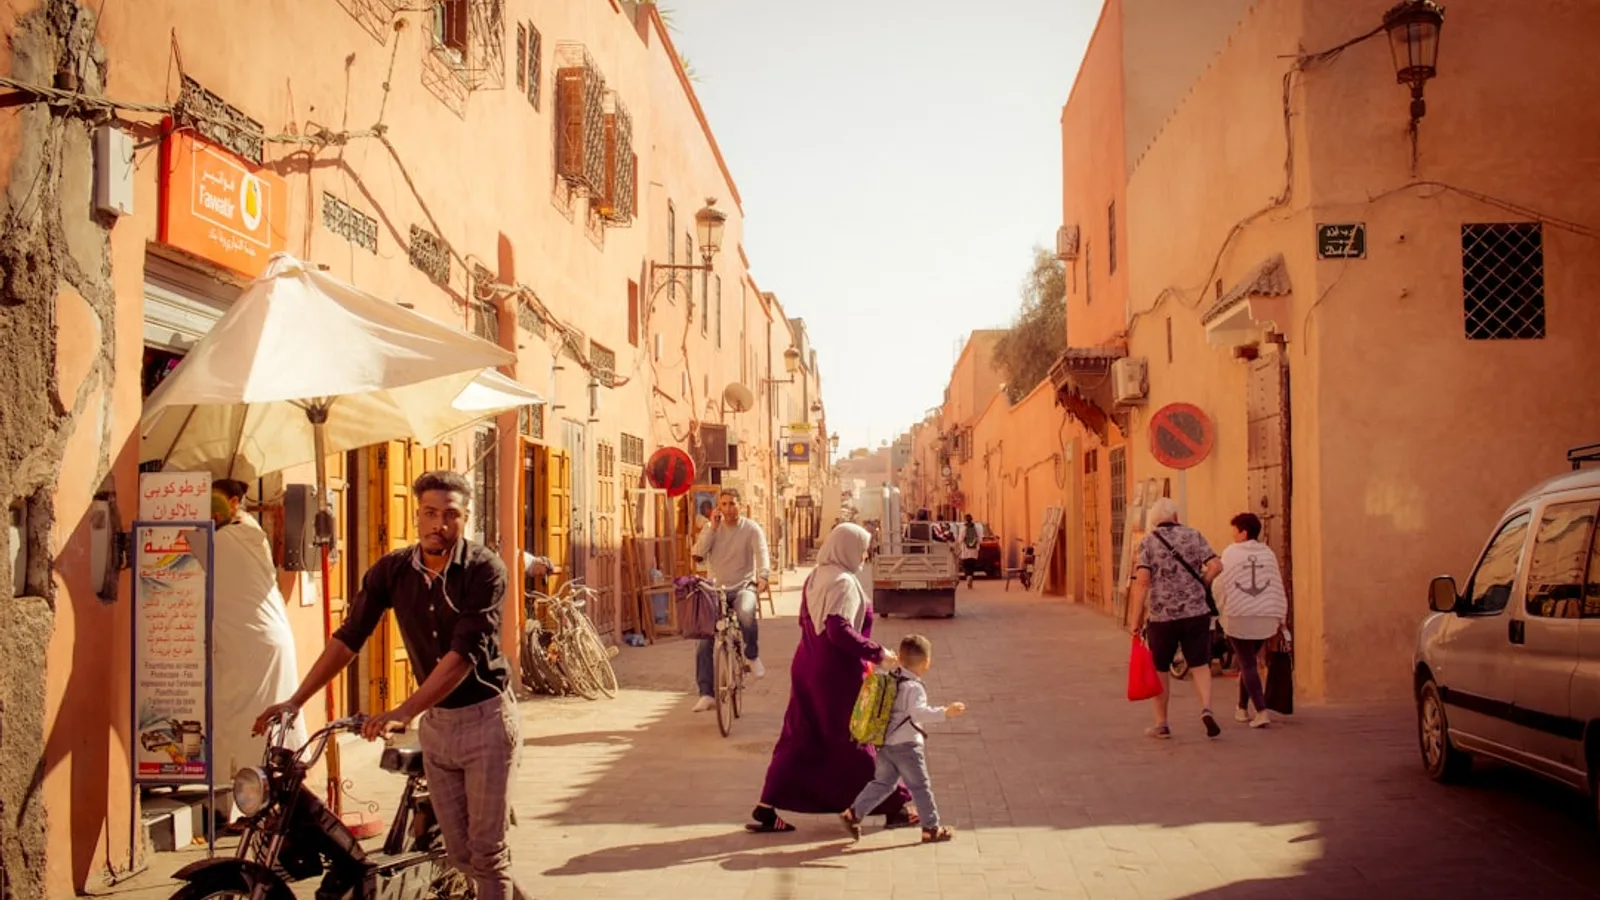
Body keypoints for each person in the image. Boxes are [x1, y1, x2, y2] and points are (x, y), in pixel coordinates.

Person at [255, 471, 529, 900]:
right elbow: (349, 637)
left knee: (489, 856)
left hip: (487, 722)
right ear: (416, 515)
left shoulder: (485, 570)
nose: (439, 524)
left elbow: (463, 655)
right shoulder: (393, 570)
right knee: (461, 856)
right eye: (430, 513)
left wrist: (404, 711)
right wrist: (295, 700)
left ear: (465, 517)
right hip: (439, 728)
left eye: (450, 514)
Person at [746, 523, 918, 834]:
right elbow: (838, 630)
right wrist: (877, 653)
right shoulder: (843, 582)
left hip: (806, 666)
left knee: (799, 737)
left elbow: (807, 623)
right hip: (836, 674)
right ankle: (895, 807)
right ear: (847, 548)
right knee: (859, 738)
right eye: (862, 549)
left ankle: (766, 807)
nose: (864, 555)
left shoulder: (816, 577)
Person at [209, 479, 306, 826]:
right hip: (251, 644)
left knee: (257, 729)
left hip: (256, 646)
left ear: (235, 502)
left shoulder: (233, 537)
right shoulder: (244, 533)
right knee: (251, 725)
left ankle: (265, 810)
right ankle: (262, 808)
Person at [839, 635, 965, 844]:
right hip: (907, 745)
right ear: (926, 663)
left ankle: (853, 814)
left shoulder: (891, 676)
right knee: (920, 787)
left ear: (900, 657)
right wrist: (945, 712)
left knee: (883, 783)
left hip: (885, 743)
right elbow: (918, 713)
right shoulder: (914, 687)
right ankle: (931, 828)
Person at [1128, 498, 1223, 740]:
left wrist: (1135, 620)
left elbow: (1142, 582)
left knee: (1160, 667)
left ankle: (1162, 723)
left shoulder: (1148, 542)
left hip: (1163, 616)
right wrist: (1203, 583)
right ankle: (1206, 708)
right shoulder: (1193, 535)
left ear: (1154, 521)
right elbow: (1216, 565)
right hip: (1195, 612)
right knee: (1200, 663)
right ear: (1176, 517)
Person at [690, 489, 770, 712]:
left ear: (740, 505)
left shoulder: (751, 528)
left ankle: (752, 655)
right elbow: (698, 554)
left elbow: (762, 552)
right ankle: (706, 694)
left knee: (745, 612)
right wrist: (712, 529)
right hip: (716, 590)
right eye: (724, 504)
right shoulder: (712, 528)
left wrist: (763, 576)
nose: (728, 509)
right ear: (718, 507)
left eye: (732, 504)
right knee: (703, 642)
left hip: (743, 586)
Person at [1218, 512, 1289, 728]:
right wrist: (1280, 615)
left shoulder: (1231, 553)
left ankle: (1261, 711)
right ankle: (1241, 708)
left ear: (1244, 532)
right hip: (1265, 616)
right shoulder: (1268, 553)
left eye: (1235, 531)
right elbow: (1276, 583)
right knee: (1248, 662)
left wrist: (1220, 608)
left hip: (1240, 615)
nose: (1232, 535)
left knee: (1247, 663)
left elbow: (1221, 584)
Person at [958, 514, 981, 588]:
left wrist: (959, 544)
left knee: (966, 565)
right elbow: (980, 539)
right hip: (974, 550)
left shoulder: (963, 528)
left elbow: (960, 539)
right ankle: (971, 576)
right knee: (972, 565)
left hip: (966, 550)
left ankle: (968, 577)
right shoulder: (977, 527)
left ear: (965, 519)